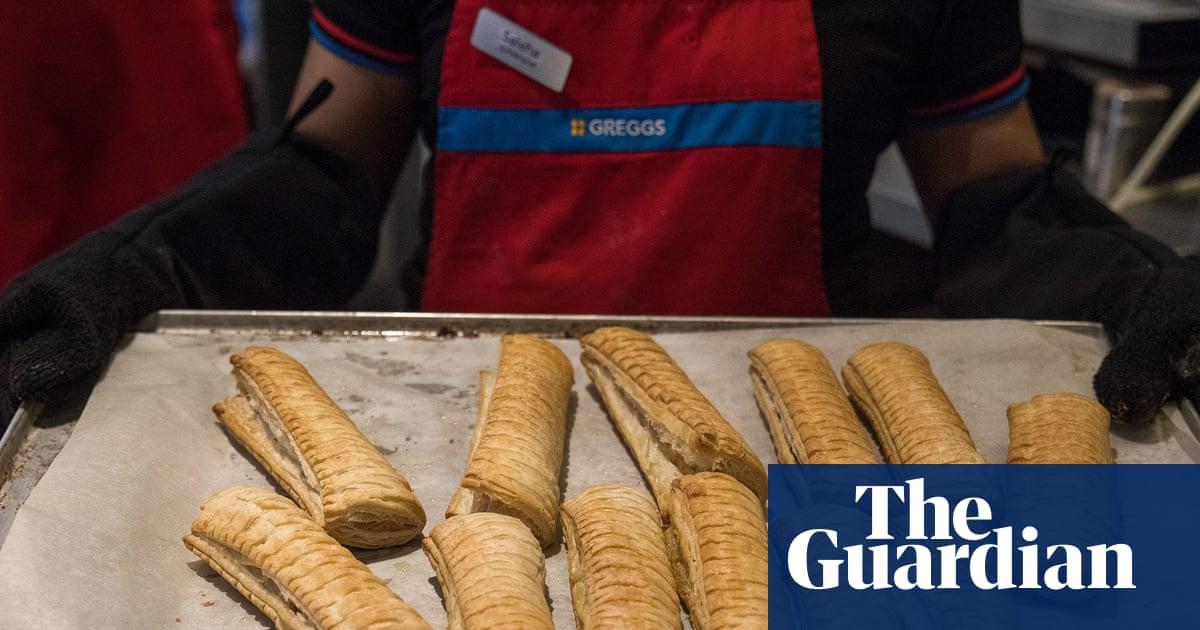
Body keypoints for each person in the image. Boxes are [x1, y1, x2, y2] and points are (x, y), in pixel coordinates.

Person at [1, 0, 1197, 430]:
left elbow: (993, 198)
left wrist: (1127, 283)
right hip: (453, 445)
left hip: (805, 463)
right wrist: (136, 265)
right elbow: (325, 167)